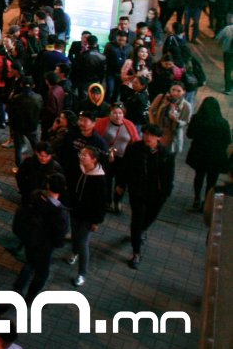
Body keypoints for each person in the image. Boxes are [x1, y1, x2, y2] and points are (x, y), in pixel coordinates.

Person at [120, 124, 174, 269]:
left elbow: (169, 176)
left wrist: (166, 193)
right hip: (137, 191)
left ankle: (141, 231)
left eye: (151, 135)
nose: (147, 137)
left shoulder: (166, 155)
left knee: (150, 217)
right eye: (145, 134)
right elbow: (125, 168)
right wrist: (121, 185)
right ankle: (136, 252)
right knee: (137, 220)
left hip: (156, 194)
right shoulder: (134, 149)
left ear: (158, 138)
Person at [13, 173, 69, 300]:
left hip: (30, 239)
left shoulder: (36, 197)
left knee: (30, 263)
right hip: (45, 246)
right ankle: (30, 298)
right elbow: (60, 235)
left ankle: (18, 288)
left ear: (48, 185)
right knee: (42, 273)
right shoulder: (60, 213)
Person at [66, 147, 110, 287]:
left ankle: (82, 273)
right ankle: (74, 252)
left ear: (94, 159)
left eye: (85, 155)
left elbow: (102, 203)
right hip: (75, 211)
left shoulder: (100, 179)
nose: (81, 157)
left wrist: (96, 221)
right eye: (81, 154)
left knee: (83, 242)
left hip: (89, 217)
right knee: (75, 235)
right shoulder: (79, 169)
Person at [187, 96, 231, 210]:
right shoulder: (223, 123)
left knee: (199, 176)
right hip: (216, 156)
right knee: (212, 181)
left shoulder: (196, 119)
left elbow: (189, 134)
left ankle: (197, 198)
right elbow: (228, 140)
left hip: (200, 154)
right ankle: (206, 202)